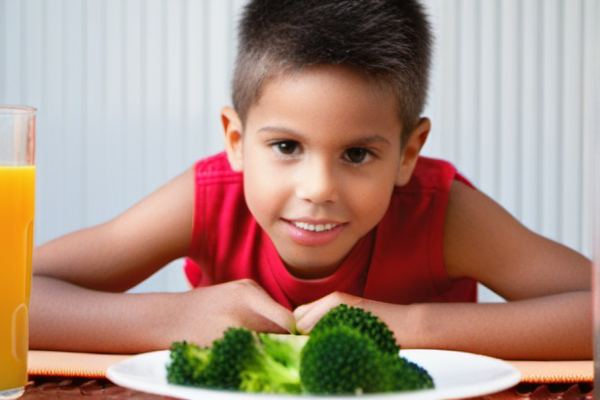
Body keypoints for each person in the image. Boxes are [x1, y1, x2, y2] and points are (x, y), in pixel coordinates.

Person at [30, 0, 591, 360]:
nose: (318, 187)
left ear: (407, 153)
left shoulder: (441, 212)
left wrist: (411, 326)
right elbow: (17, 292)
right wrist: (172, 317)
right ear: (235, 140)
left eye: (356, 154)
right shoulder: (207, 201)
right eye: (286, 146)